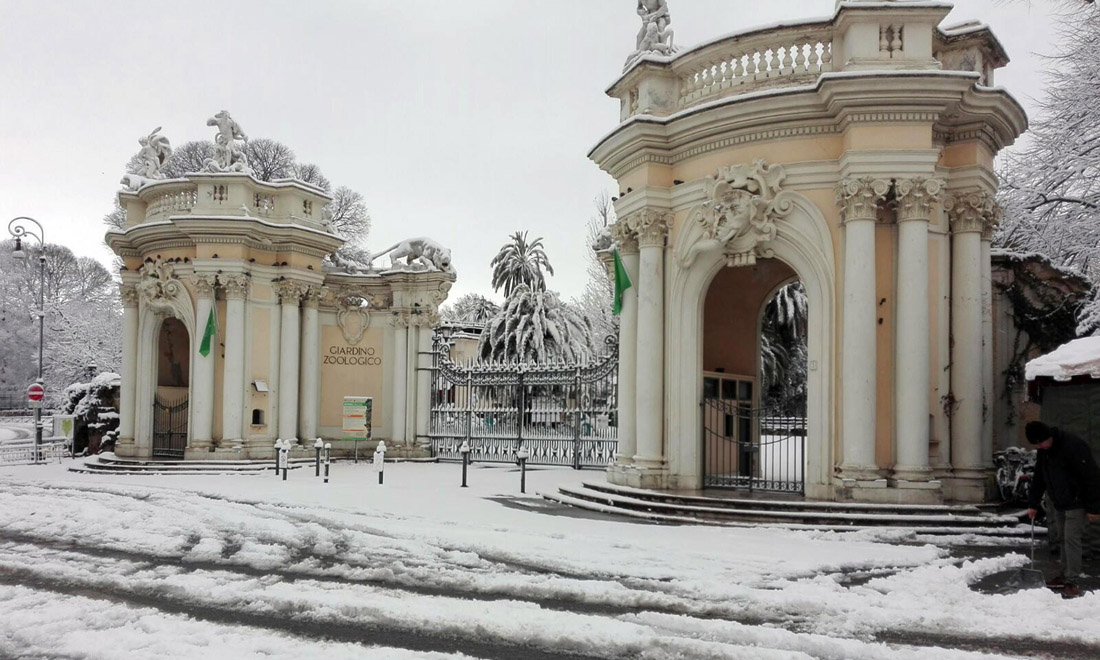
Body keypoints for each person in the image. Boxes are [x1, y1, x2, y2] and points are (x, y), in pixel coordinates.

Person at [1025, 421, 1100, 598]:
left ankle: (1072, 581)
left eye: (1040, 443)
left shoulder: (1073, 446)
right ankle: (1064, 574)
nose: (1039, 447)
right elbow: (1039, 476)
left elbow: (1092, 476)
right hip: (1059, 501)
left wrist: (1094, 508)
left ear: (1048, 437)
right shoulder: (1044, 451)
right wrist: (1033, 503)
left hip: (1078, 502)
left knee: (1071, 539)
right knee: (1062, 538)